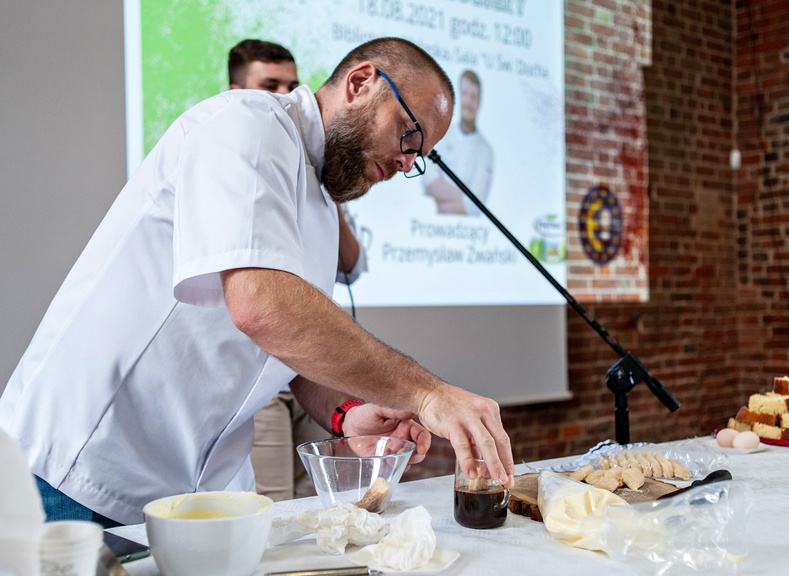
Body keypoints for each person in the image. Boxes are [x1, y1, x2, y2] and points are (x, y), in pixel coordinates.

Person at [0, 37, 514, 527]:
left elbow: (283, 349)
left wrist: (347, 412)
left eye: (418, 156)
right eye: (409, 134)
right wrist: (428, 395)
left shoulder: (320, 195)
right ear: (361, 82)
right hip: (79, 469)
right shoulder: (248, 123)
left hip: (198, 494)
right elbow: (261, 307)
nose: (406, 161)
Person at [228, 39, 365, 501]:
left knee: (330, 495)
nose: (284, 96)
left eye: (291, 85)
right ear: (236, 90)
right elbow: (256, 305)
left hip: (306, 372)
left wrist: (333, 196)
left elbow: (351, 266)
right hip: (258, 380)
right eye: (270, 86)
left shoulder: (317, 174)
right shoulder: (236, 152)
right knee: (272, 504)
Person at [424, 70, 494, 216]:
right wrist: (464, 197)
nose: (468, 102)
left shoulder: (486, 151)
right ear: (458, 97)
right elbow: (428, 181)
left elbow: (475, 206)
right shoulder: (441, 134)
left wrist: (442, 201)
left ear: (479, 101)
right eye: (465, 94)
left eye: (473, 96)